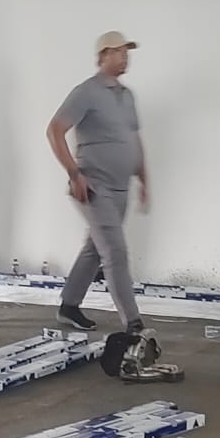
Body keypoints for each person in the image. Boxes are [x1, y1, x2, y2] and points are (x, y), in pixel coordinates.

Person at [46, 31, 149, 339]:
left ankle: (69, 306)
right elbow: (54, 130)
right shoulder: (86, 92)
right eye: (119, 51)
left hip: (120, 188)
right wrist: (74, 174)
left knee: (95, 247)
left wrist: (144, 178)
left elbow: (133, 138)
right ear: (103, 56)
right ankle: (133, 323)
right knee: (114, 250)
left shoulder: (127, 96)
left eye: (127, 52)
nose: (125, 57)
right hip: (94, 187)